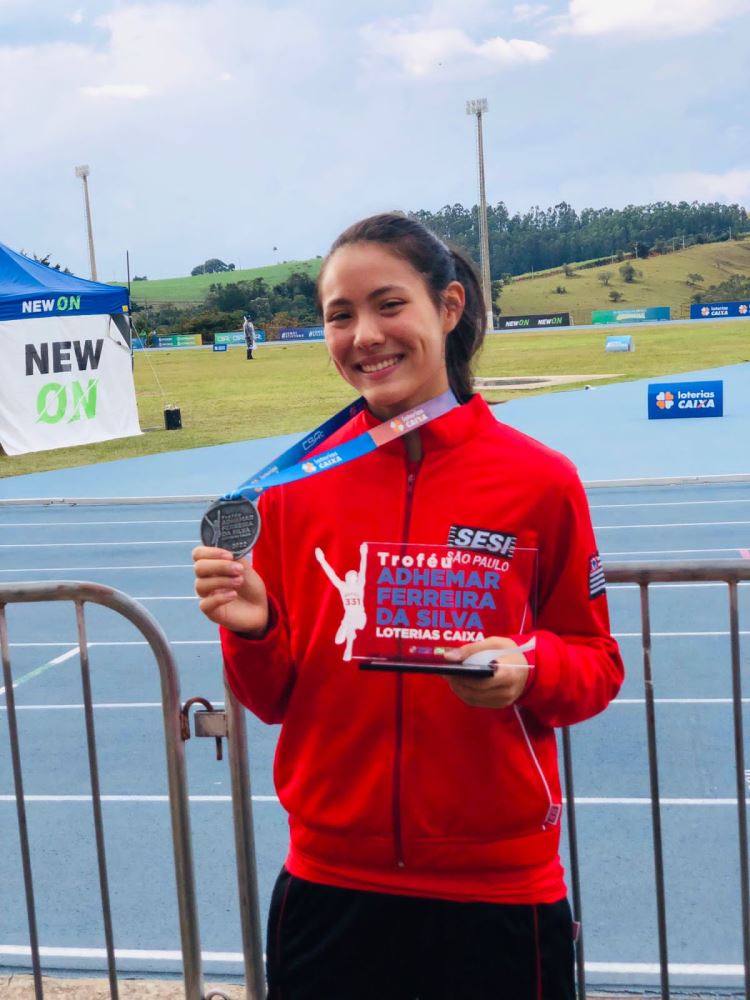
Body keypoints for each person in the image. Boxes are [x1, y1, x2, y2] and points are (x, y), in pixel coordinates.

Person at [193, 213, 624, 999]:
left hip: (497, 890)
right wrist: (253, 631)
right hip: (331, 884)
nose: (365, 335)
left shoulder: (539, 480)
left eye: (389, 305)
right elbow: (271, 699)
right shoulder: (293, 487)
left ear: (448, 307)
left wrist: (528, 669)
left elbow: (596, 664)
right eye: (339, 314)